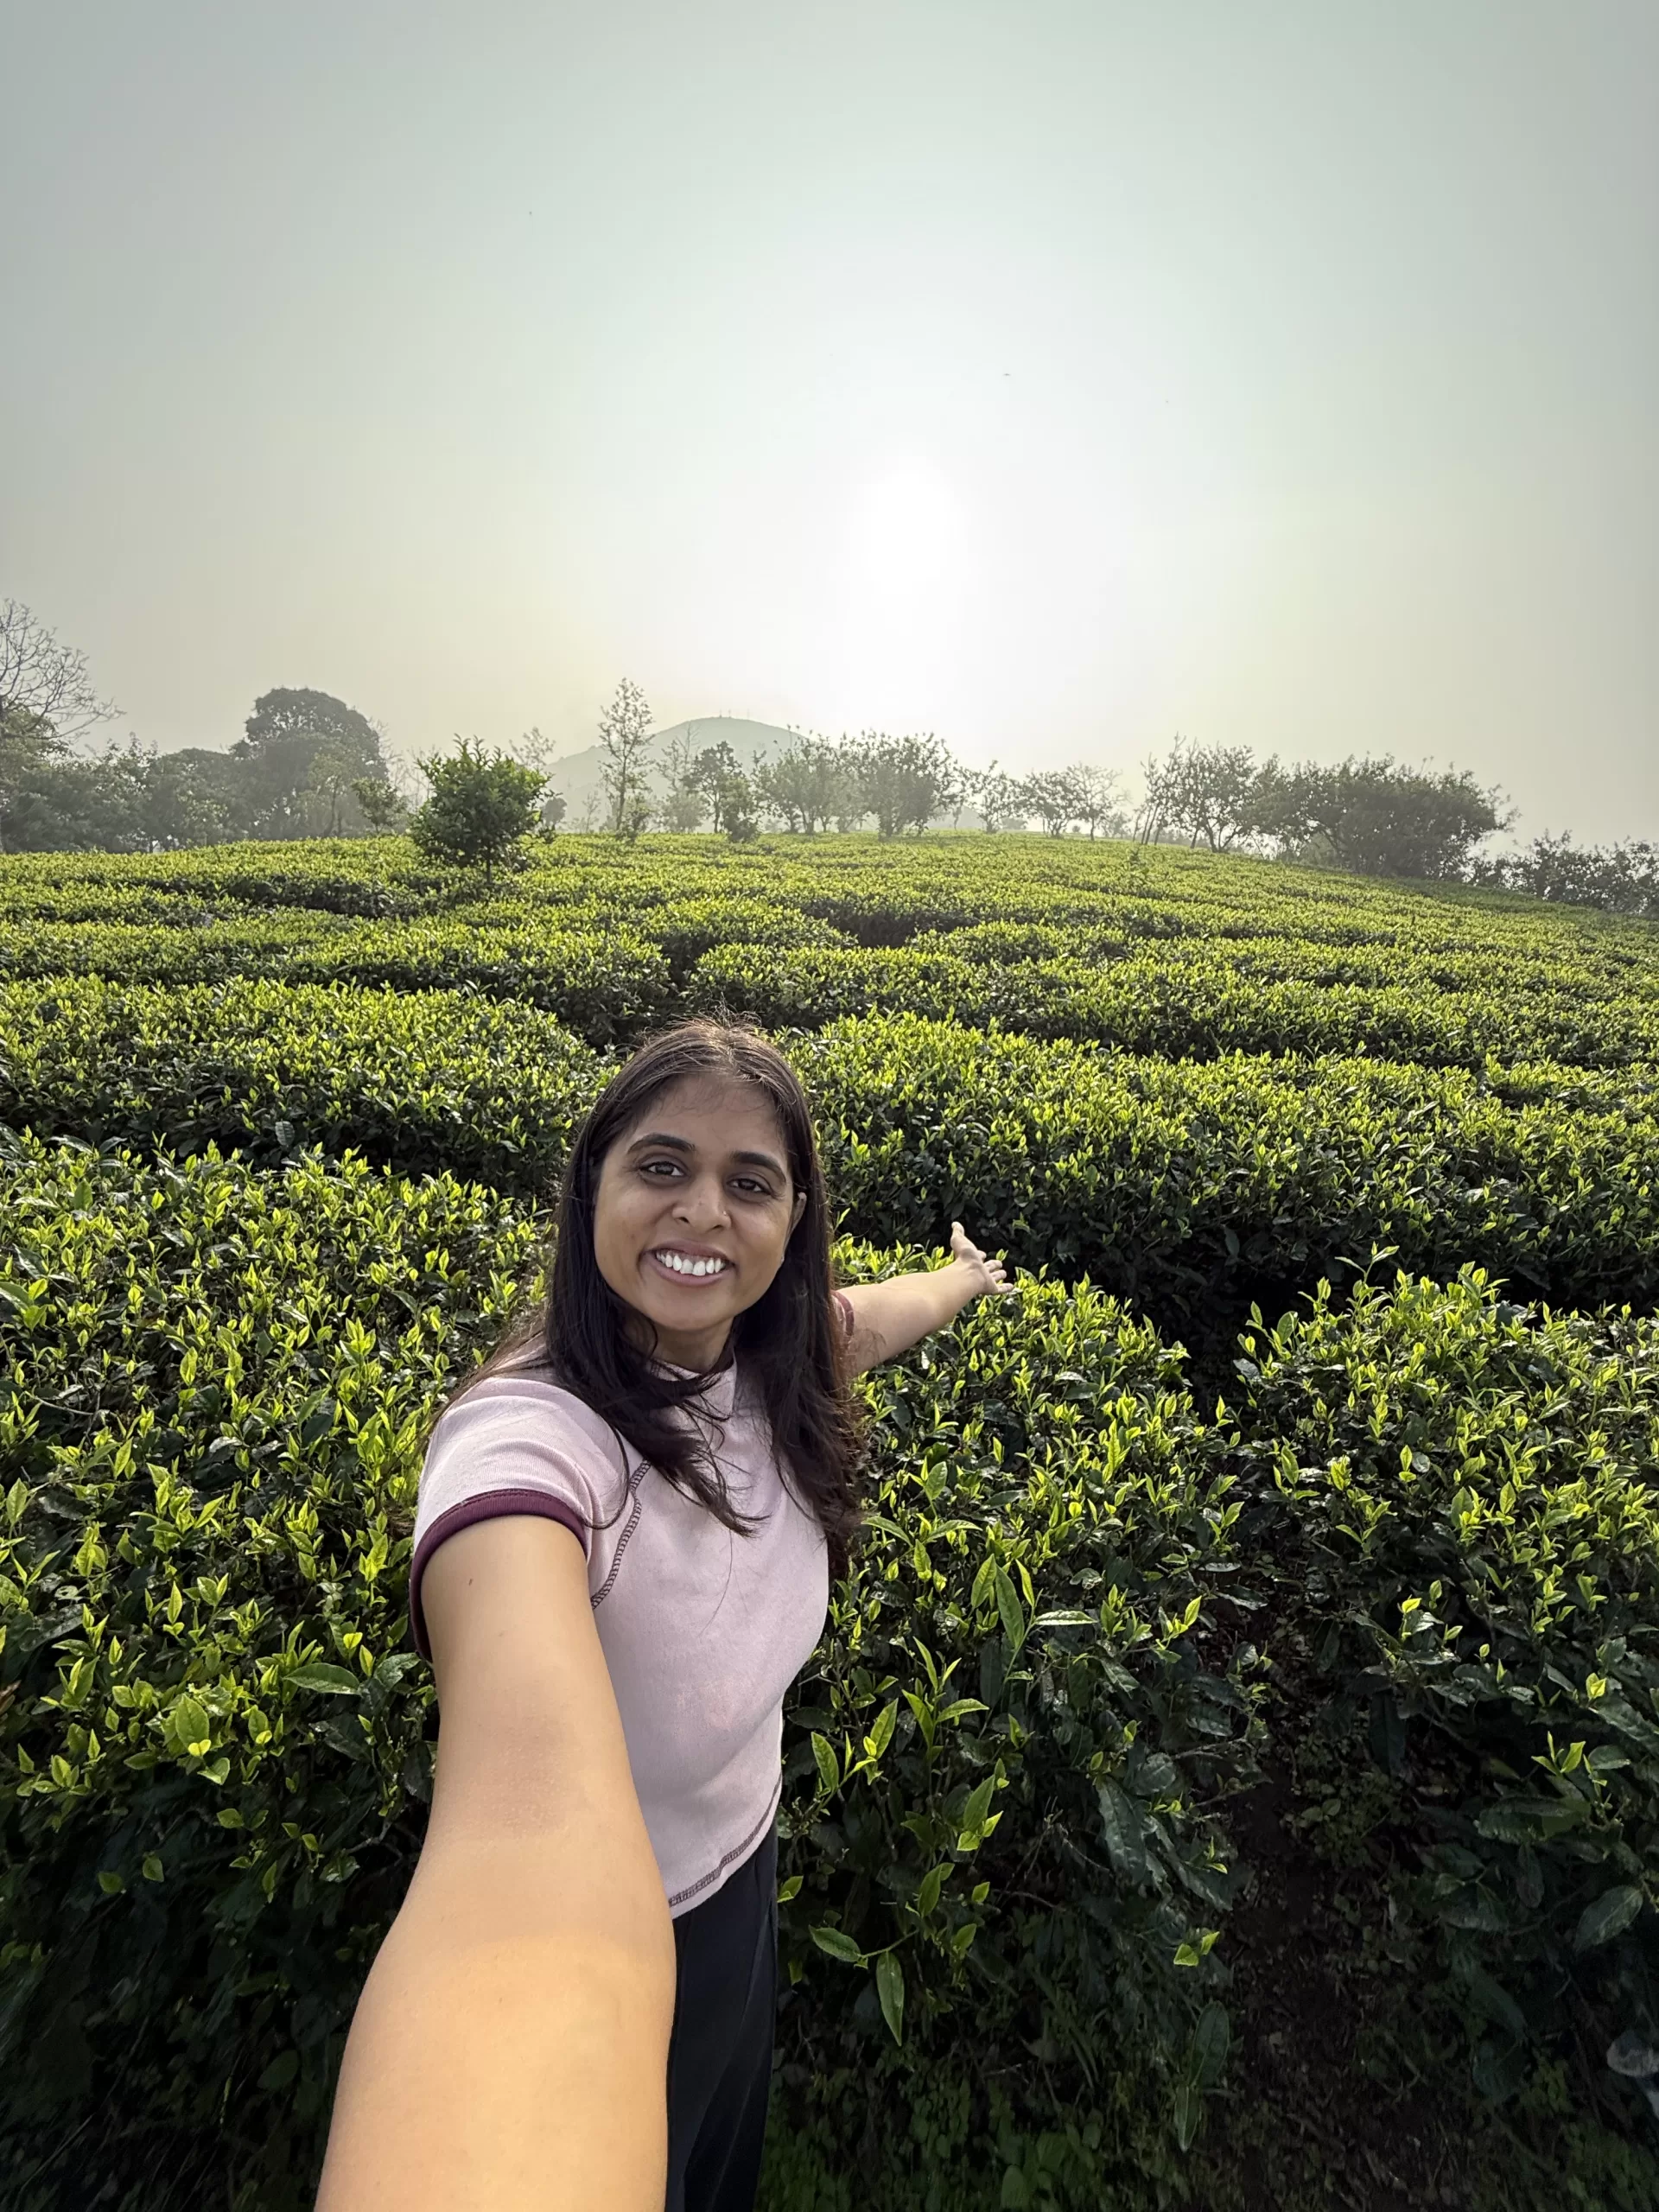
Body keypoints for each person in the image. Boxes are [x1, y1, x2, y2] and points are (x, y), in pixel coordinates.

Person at [316, 1019, 1014, 2212]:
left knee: (716, 2161)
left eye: (750, 1184)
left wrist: (964, 1277)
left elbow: (880, 1316)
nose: (702, 1211)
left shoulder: (773, 1360)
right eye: (661, 1167)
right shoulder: (530, 1445)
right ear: (592, 1186)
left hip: (742, 1882)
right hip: (622, 1927)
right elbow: (523, 1858)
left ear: (791, 1224)